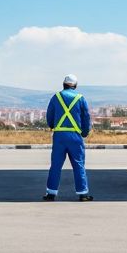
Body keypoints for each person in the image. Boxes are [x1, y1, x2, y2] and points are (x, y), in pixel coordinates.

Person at [43, 73, 91, 201]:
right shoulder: (81, 98)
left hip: (59, 136)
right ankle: (83, 194)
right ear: (75, 85)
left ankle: (51, 193)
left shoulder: (56, 97)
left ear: (63, 84)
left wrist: (53, 126)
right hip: (75, 136)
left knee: (56, 165)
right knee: (78, 164)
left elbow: (49, 115)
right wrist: (85, 132)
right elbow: (86, 117)